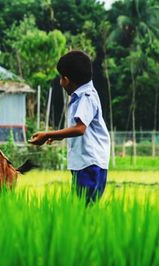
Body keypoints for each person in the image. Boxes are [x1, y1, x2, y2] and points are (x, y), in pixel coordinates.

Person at [29, 50, 110, 204]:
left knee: (83, 209)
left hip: (89, 165)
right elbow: (77, 130)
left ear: (66, 79)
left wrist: (47, 134)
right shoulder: (84, 95)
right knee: (82, 209)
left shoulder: (86, 97)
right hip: (87, 164)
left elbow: (80, 129)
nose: (60, 82)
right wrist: (54, 136)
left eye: (61, 77)